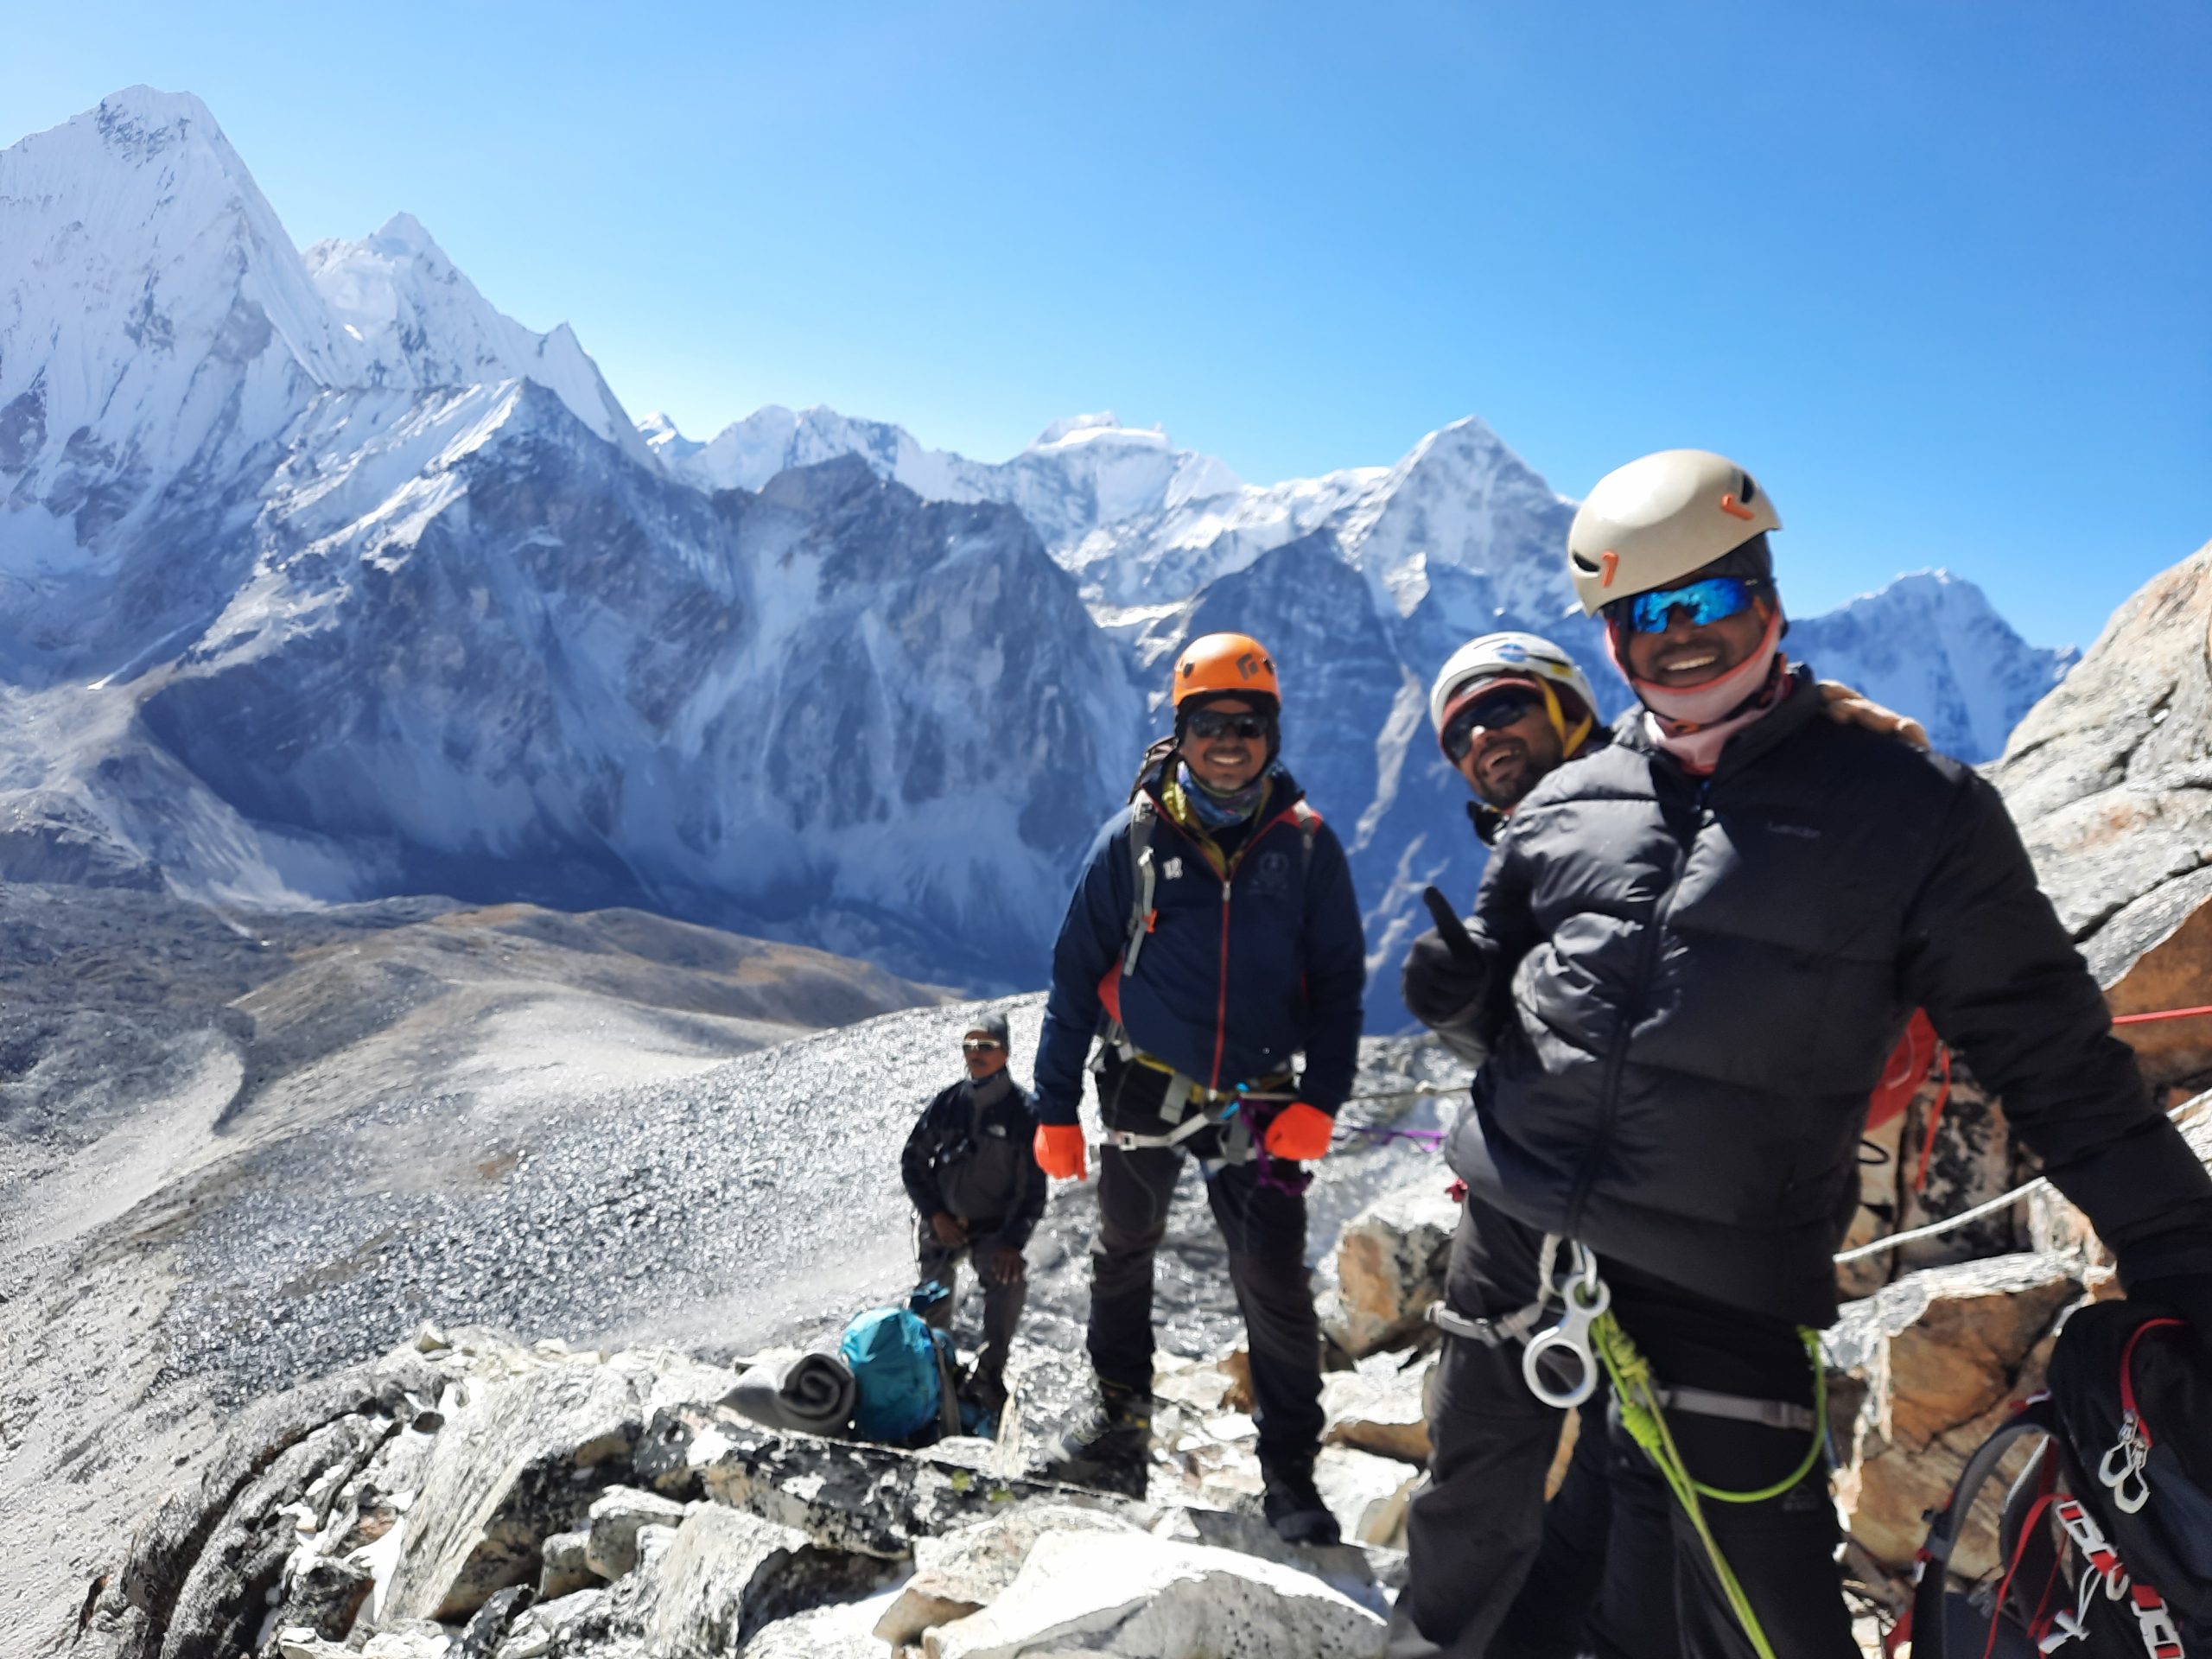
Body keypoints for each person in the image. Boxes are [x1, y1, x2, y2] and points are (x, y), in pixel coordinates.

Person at [1394, 449, 2212, 1658]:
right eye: (1647, 614)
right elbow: (1528, 1025)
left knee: (1764, 1613)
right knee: (1463, 1553)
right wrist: (1465, 1007)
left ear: (1769, 598)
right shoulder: (1570, 809)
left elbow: (2055, 1058)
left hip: (1723, 1277)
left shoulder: (1912, 810)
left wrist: (2180, 1252)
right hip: (1514, 1253)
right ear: (1612, 640)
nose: (1682, 638)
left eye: (1710, 600)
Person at [1417, 628, 1931, 1659]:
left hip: (1699, 1223)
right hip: (1571, 1222)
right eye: (1461, 731)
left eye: (1502, 707)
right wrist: (1475, 1016)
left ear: (1570, 710)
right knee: (1595, 1476)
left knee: (1649, 1480)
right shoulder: (1539, 851)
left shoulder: (1688, 790)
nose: (1483, 737)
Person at [1029, 632, 1367, 1542]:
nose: (1228, 741)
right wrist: (1052, 1106)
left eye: (1246, 724)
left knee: (1271, 1283)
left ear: (1272, 733)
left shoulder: (1304, 849)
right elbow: (1073, 976)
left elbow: (1339, 986)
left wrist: (1319, 1101)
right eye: (1209, 723)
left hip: (1261, 1101)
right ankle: (1117, 1441)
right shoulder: (1132, 841)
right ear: (1179, 732)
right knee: (1122, 1257)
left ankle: (1291, 1476)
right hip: (1143, 1089)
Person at [901, 1011, 1046, 1411]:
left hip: (995, 1231)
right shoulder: (948, 1104)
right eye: (969, 1046)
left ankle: (990, 1372)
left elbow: (1033, 1190)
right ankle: (935, 1371)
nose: (975, 1054)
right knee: (933, 1297)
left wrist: (1012, 1243)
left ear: (1005, 1052)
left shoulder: (1024, 1113)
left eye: (985, 1046)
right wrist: (935, 1215)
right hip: (942, 1224)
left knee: (1008, 1283)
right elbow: (913, 1161)